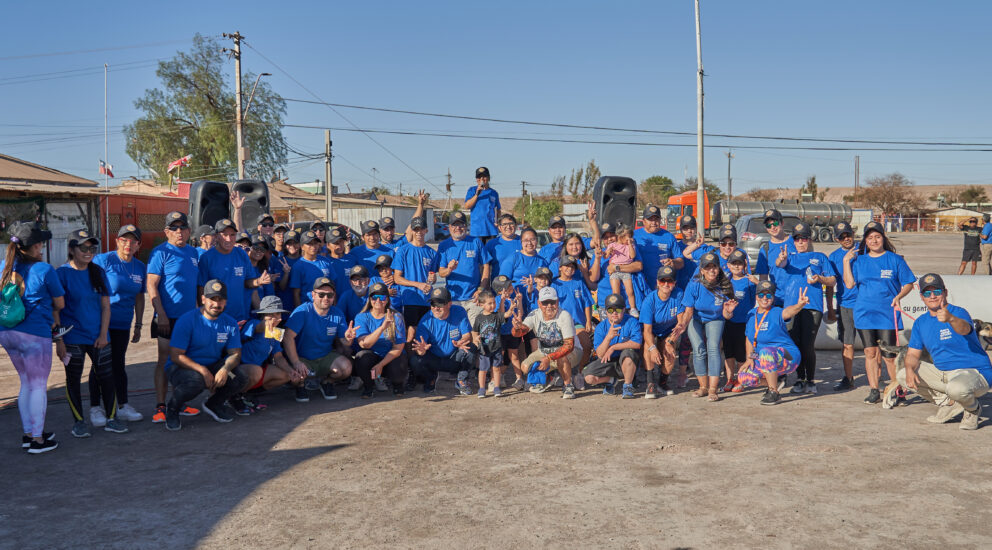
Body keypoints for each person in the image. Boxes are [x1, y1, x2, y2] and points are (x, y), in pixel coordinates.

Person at [56, 230, 128, 436]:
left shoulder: (98, 271)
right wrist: (59, 340)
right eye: (83, 248)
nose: (89, 252)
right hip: (72, 338)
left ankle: (112, 418)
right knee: (74, 379)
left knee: (107, 377)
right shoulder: (61, 274)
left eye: (92, 248)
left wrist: (104, 334)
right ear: (72, 249)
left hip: (98, 336)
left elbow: (106, 307)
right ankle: (78, 422)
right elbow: (56, 310)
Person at [0, 222, 64, 453]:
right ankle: (37, 440)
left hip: (7, 332)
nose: (42, 246)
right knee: (38, 386)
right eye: (40, 242)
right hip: (34, 333)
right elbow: (60, 303)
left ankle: (29, 433)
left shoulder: (3, 267)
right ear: (35, 245)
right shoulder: (44, 269)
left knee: (26, 382)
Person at [899, 274, 991, 430]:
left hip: (975, 372)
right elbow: (913, 354)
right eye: (927, 293)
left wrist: (950, 319)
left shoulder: (959, 313)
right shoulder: (921, 322)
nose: (933, 296)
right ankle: (949, 403)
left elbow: (965, 329)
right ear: (922, 297)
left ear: (945, 292)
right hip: (944, 373)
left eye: (937, 291)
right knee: (902, 375)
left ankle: (972, 410)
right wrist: (909, 369)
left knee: (956, 388)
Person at [842, 221, 915, 405]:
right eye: (870, 237)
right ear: (865, 241)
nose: (874, 240)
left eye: (877, 236)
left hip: (887, 315)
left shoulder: (895, 260)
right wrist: (845, 262)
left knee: (889, 356)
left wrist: (899, 296)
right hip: (864, 314)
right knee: (870, 353)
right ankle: (874, 389)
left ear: (883, 238)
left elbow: (908, 283)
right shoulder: (859, 260)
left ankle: (897, 390)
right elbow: (849, 284)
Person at [164, 279, 247, 430]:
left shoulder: (230, 322)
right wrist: (202, 370)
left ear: (225, 301)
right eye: (212, 299)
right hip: (181, 367)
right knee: (196, 380)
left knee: (239, 377)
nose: (216, 304)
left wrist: (224, 369)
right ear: (203, 299)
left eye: (220, 299)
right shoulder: (187, 320)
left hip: (212, 365)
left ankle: (213, 404)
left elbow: (235, 354)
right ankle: (172, 409)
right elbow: (176, 355)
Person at [147, 211, 202, 423]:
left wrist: (200, 312)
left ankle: (178, 403)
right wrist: (160, 314)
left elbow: (197, 286)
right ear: (166, 232)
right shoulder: (159, 253)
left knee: (183, 361)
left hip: (189, 318)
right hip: (167, 316)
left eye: (182, 228)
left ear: (188, 231)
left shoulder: (194, 253)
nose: (179, 232)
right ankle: (160, 406)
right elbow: (151, 285)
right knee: (164, 360)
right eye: (174, 228)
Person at [91, 224, 146, 423]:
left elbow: (140, 298)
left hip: (123, 324)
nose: (128, 244)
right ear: (117, 241)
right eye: (124, 240)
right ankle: (96, 408)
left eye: (133, 241)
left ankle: (122, 404)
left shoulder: (140, 267)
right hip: (101, 324)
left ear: (139, 245)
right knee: (99, 365)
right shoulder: (103, 260)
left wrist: (139, 325)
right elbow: (91, 289)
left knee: (118, 365)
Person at [780, 222, 836, 394]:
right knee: (794, 344)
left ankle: (810, 380)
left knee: (808, 344)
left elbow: (832, 280)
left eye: (804, 238)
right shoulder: (789, 257)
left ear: (809, 239)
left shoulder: (819, 257)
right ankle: (799, 379)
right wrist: (781, 258)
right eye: (797, 239)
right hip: (792, 307)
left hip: (813, 306)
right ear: (793, 241)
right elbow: (779, 264)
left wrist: (819, 278)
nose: (801, 242)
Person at [677, 251, 739, 401]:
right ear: (702, 270)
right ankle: (703, 387)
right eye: (707, 267)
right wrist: (682, 325)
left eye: (714, 267)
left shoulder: (725, 285)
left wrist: (729, 312)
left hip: (715, 318)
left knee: (713, 348)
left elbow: (726, 315)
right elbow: (689, 311)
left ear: (719, 268)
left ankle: (713, 389)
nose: (711, 270)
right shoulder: (694, 284)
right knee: (698, 349)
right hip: (696, 318)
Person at [283, 277, 356, 400]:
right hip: (303, 358)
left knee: (346, 368)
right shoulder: (302, 311)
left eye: (330, 295)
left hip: (325, 357)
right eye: (321, 294)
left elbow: (345, 342)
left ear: (334, 296)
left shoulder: (337, 313)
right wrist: (296, 362)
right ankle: (301, 385)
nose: (326, 298)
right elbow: (287, 337)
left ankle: (327, 382)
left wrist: (349, 338)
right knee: (295, 377)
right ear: (313, 295)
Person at [736, 281, 806, 406]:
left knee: (766, 352)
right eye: (761, 295)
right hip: (764, 357)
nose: (764, 298)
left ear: (773, 298)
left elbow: (789, 312)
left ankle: (774, 392)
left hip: (788, 356)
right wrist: (749, 358)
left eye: (768, 295)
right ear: (756, 296)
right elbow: (749, 338)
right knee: (743, 376)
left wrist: (799, 305)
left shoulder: (777, 312)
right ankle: (775, 382)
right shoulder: (751, 314)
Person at [511, 286, 581, 398]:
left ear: (557, 301)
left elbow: (569, 346)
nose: (549, 306)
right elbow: (519, 333)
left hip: (571, 352)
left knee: (561, 358)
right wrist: (516, 327)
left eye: (552, 302)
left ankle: (568, 386)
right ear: (539, 303)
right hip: (545, 351)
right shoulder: (535, 314)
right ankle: (549, 378)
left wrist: (548, 358)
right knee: (525, 366)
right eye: (545, 303)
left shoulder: (564, 315)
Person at [198, 218, 271, 324]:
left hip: (240, 316)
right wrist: (205, 316)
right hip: (216, 318)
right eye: (224, 235)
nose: (228, 239)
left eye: (232, 235)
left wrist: (258, 281)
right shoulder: (207, 258)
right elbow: (201, 289)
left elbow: (247, 282)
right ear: (217, 236)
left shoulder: (242, 254)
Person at [238, 296, 307, 404]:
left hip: (257, 373)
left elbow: (278, 357)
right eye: (270, 314)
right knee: (256, 371)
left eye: (278, 314)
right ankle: (233, 396)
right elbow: (260, 327)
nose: (275, 318)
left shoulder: (276, 332)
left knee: (286, 375)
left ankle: (248, 393)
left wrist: (291, 371)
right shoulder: (253, 323)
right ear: (263, 315)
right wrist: (267, 324)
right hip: (236, 372)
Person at [409, 287, 477, 395]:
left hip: (454, 357)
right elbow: (420, 350)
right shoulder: (425, 321)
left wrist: (462, 341)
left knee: (470, 348)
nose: (436, 308)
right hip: (434, 360)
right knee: (415, 360)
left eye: (440, 304)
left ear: (449, 304)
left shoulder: (459, 311)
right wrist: (422, 350)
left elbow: (467, 335)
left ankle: (461, 379)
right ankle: (431, 378)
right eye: (433, 304)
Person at [583, 293, 644, 398]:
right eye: (610, 310)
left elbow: (637, 344)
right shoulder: (601, 327)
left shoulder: (632, 321)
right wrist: (608, 338)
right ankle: (611, 381)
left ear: (624, 309)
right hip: (609, 361)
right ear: (606, 311)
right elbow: (600, 354)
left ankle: (628, 385)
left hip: (627, 361)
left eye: (618, 309)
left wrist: (614, 347)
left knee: (628, 353)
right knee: (588, 377)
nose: (614, 313)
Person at [353, 282, 408, 399]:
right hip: (373, 355)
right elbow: (365, 344)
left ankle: (397, 384)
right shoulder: (361, 317)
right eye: (374, 297)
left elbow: (398, 348)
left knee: (398, 367)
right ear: (369, 299)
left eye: (382, 297)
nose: (378, 300)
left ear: (387, 299)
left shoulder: (396, 317)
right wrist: (382, 327)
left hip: (391, 356)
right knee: (361, 357)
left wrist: (381, 365)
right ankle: (369, 386)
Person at [393, 216, 440, 345]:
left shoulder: (432, 252)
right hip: (410, 299)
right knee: (411, 332)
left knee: (426, 333)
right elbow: (397, 278)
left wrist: (433, 279)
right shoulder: (403, 251)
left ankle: (419, 361)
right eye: (416, 229)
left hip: (426, 299)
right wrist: (417, 284)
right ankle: (409, 363)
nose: (419, 232)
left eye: (421, 229)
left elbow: (433, 277)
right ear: (412, 231)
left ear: (426, 230)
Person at [640, 266, 685, 398]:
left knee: (670, 352)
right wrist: (653, 348)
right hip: (653, 330)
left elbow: (680, 323)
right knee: (648, 347)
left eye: (670, 281)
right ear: (657, 282)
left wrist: (670, 341)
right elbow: (647, 330)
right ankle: (650, 383)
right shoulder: (649, 301)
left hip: (669, 331)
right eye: (662, 281)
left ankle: (662, 381)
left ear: (674, 283)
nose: (666, 284)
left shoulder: (678, 294)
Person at [437, 211, 490, 323]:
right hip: (453, 299)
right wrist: (449, 269)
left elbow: (486, 265)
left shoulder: (476, 241)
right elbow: (441, 272)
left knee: (475, 334)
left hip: (474, 299)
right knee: (457, 335)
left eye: (461, 224)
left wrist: (481, 288)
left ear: (466, 226)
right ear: (449, 227)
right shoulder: (444, 245)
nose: (458, 228)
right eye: (454, 225)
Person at [825, 221, 859, 391]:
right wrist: (830, 308)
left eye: (848, 234)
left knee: (873, 344)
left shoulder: (865, 249)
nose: (846, 238)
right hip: (845, 304)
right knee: (847, 344)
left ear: (852, 233)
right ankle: (848, 377)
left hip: (866, 304)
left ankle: (882, 379)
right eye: (842, 237)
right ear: (836, 239)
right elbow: (830, 285)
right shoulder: (833, 257)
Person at [589, 222, 647, 316]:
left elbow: (639, 266)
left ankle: (632, 308)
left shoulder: (629, 247)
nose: (609, 239)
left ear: (618, 235)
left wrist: (616, 268)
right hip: (606, 305)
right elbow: (592, 279)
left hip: (628, 304)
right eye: (605, 238)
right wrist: (598, 258)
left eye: (612, 235)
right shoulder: (600, 253)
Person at [552, 255, 594, 374]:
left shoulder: (579, 283)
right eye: (567, 266)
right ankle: (560, 373)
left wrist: (588, 321)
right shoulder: (554, 284)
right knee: (561, 349)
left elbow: (587, 302)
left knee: (586, 345)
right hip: (561, 324)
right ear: (560, 268)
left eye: (572, 267)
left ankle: (579, 373)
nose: (569, 269)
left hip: (577, 323)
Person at [723, 249, 756, 393]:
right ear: (728, 265)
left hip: (744, 322)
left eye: (739, 264)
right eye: (734, 264)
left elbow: (759, 300)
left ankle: (741, 379)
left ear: (745, 265)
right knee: (729, 352)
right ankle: (730, 379)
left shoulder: (750, 282)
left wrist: (758, 282)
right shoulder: (726, 281)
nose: (737, 267)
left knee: (741, 353)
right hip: (728, 322)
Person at [633, 204, 683, 292]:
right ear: (643, 221)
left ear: (660, 220)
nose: (653, 222)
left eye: (656, 219)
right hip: (641, 286)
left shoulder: (669, 236)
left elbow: (681, 262)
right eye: (650, 219)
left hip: (664, 287)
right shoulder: (634, 236)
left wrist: (673, 262)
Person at [755, 209, 797, 307]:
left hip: (797, 298)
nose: (772, 227)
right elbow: (763, 279)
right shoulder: (765, 249)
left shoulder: (795, 242)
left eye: (775, 223)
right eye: (769, 225)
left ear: (782, 223)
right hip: (777, 299)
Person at [492, 274, 527, 390]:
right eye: (508, 287)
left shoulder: (513, 298)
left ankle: (519, 379)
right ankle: (496, 379)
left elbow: (520, 313)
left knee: (514, 356)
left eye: (511, 285)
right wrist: (502, 301)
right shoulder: (496, 300)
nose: (511, 288)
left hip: (512, 333)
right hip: (500, 333)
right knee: (499, 357)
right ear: (499, 290)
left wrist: (520, 301)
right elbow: (501, 315)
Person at [472, 289, 506, 398]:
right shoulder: (479, 318)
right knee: (483, 370)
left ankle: (496, 387)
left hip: (496, 347)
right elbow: (474, 331)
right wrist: (475, 338)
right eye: (489, 303)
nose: (492, 306)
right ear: (482, 305)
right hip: (484, 349)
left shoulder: (496, 316)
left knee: (496, 368)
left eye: (494, 303)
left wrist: (509, 306)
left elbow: (505, 315)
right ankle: (482, 388)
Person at [288, 230, 334, 307]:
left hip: (326, 306)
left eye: (315, 243)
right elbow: (296, 293)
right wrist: (301, 311)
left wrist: (333, 306)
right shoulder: (298, 266)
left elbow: (333, 286)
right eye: (309, 244)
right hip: (308, 307)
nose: (313, 246)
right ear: (302, 246)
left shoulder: (325, 261)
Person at [499, 226, 548, 294]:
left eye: (532, 239)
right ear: (521, 242)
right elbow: (502, 283)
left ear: (537, 240)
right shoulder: (513, 259)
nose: (529, 243)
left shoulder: (542, 261)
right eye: (526, 240)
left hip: (536, 300)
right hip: (516, 299)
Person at [464, 166, 501, 241]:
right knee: (478, 252)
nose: (481, 179)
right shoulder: (472, 190)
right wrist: (477, 195)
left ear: (489, 178)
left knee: (490, 252)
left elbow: (498, 210)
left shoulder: (494, 193)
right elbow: (467, 206)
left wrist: (498, 222)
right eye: (479, 177)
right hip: (477, 231)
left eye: (484, 176)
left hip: (491, 230)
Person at [484, 213, 522, 277]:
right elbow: (485, 267)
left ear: (516, 225)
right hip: (498, 284)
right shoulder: (492, 244)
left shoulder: (523, 242)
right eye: (504, 224)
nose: (508, 227)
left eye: (511, 224)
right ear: (499, 227)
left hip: (519, 284)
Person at [273, 229, 301, 315]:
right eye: (289, 243)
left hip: (302, 305)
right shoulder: (280, 261)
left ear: (300, 244)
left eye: (295, 242)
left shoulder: (305, 260)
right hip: (286, 307)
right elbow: (281, 287)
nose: (292, 246)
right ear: (285, 246)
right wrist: (286, 273)